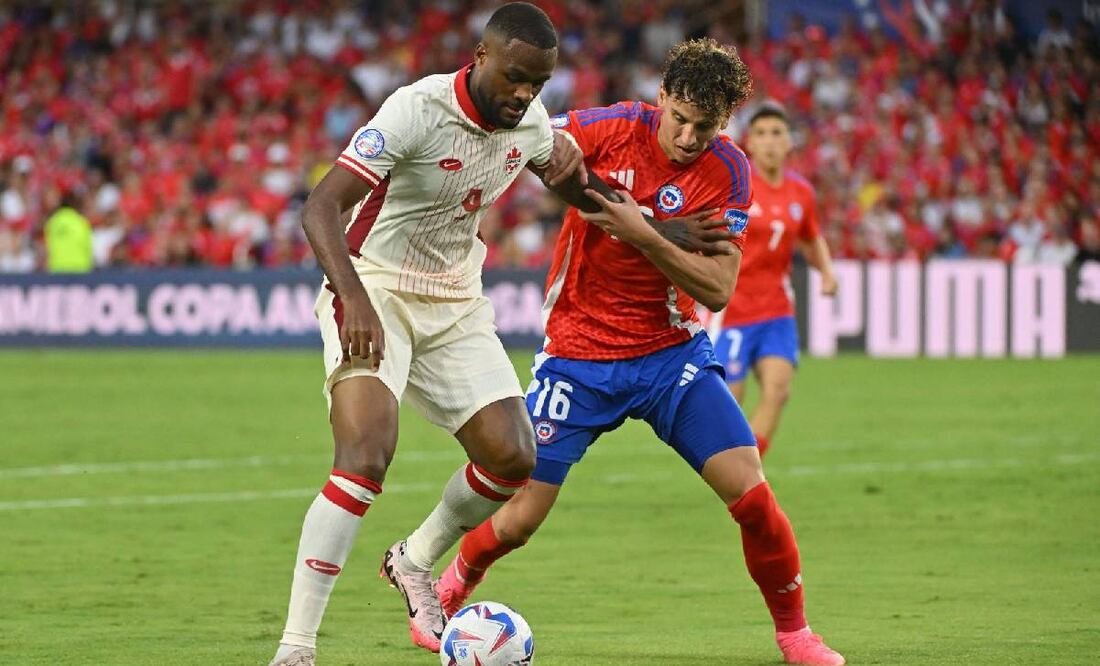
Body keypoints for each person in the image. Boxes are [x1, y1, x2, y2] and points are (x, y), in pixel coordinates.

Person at [431, 39, 846, 666]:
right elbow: (540, 148)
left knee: (754, 499)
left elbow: (718, 287)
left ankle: (796, 636)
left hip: (669, 357)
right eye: (680, 119)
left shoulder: (729, 170)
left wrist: (643, 233)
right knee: (518, 520)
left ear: (724, 123)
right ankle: (452, 583)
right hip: (578, 355)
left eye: (705, 128)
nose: (688, 138)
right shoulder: (614, 127)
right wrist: (644, 220)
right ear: (662, 97)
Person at [267, 5, 584, 665]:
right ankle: (296, 648)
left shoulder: (531, 125)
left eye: (538, 83)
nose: (525, 94)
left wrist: (661, 230)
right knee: (364, 457)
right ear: (481, 57)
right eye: (516, 78)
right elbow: (321, 207)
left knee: (513, 457)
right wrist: (352, 296)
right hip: (375, 288)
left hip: (456, 303)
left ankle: (413, 561)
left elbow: (581, 186)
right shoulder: (415, 110)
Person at [709, 103, 838, 458]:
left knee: (778, 389)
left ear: (789, 142)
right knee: (729, 400)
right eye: (761, 134)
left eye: (777, 133)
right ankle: (728, 462)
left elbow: (811, 237)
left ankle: (749, 464)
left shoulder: (801, 192)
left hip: (777, 309)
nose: (769, 141)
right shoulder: (736, 186)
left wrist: (826, 272)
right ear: (749, 143)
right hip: (732, 309)